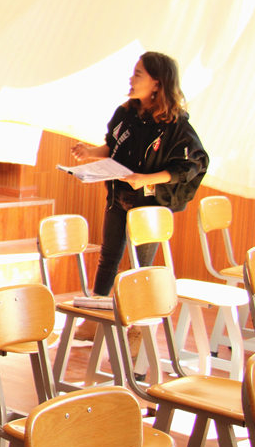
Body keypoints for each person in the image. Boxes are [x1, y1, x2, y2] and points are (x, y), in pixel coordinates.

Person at [70, 51, 208, 297]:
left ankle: (135, 317)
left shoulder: (175, 124)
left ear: (157, 83)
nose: (131, 79)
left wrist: (146, 180)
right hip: (118, 197)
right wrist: (89, 153)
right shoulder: (125, 113)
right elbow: (113, 148)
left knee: (140, 266)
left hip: (150, 204)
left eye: (138, 74)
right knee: (108, 257)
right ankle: (97, 309)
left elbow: (191, 166)